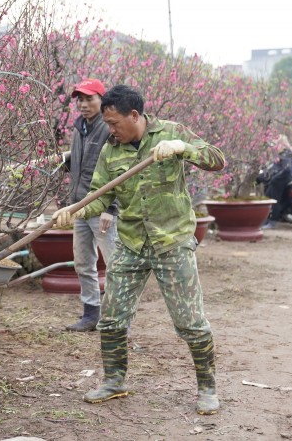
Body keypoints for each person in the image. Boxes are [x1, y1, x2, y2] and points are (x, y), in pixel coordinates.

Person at [51, 84, 226, 415]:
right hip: (131, 243)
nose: (111, 130)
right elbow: (101, 196)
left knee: (190, 322)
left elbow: (217, 159)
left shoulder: (171, 132)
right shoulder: (111, 149)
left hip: (172, 242)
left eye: (115, 123)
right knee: (112, 319)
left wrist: (182, 147)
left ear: (135, 115)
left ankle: (207, 387)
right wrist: (73, 211)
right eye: (107, 124)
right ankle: (114, 381)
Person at [62, 78, 118, 332]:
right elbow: (83, 165)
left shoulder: (109, 129)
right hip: (81, 206)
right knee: (83, 262)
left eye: (89, 99)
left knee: (115, 264)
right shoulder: (79, 128)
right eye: (80, 100)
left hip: (103, 209)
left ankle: (118, 318)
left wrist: (112, 208)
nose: (84, 105)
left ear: (102, 100)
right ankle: (91, 314)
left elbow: (119, 168)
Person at [260, 135, 292, 229]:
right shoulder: (289, 153)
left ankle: (272, 222)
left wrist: (275, 178)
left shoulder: (285, 154)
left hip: (280, 181)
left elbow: (286, 169)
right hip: (284, 180)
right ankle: (266, 220)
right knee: (268, 199)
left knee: (273, 201)